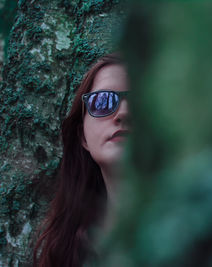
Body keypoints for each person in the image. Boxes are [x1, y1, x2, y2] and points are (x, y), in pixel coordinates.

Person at [33, 53, 130, 267]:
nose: (123, 113)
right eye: (102, 101)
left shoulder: (200, 230)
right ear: (82, 137)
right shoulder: (66, 250)